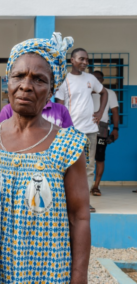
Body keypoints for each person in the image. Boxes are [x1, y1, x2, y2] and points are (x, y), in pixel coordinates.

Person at [0, 33, 91, 283]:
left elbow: (80, 217)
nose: (26, 85)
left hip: (47, 270)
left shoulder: (68, 145)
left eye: (39, 79)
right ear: (7, 82)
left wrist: (79, 277)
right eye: (18, 76)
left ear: (51, 89)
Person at [55, 47, 108, 213]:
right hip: (71, 132)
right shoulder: (65, 81)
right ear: (72, 60)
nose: (85, 62)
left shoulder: (91, 79)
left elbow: (104, 92)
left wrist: (100, 112)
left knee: (89, 167)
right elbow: (60, 106)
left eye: (86, 60)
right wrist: (62, 129)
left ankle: (85, 202)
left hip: (91, 131)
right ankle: (67, 201)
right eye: (81, 59)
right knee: (67, 166)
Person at [91, 70, 120, 196]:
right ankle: (82, 187)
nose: (96, 80)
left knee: (100, 158)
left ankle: (96, 186)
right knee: (84, 159)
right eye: (94, 78)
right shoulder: (85, 92)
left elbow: (114, 112)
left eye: (99, 78)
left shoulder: (110, 93)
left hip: (101, 128)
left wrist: (115, 128)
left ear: (102, 80)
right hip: (84, 127)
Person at [0, 96, 73, 128]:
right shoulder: (8, 110)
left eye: (40, 80)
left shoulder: (61, 110)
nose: (27, 86)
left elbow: (70, 140)